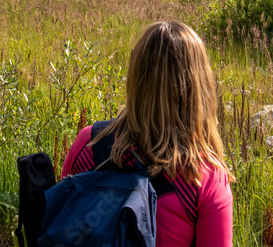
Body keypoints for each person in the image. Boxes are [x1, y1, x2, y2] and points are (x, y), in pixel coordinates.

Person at [60, 21, 234, 246]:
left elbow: (62, 225)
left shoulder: (89, 144)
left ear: (136, 77)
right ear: (198, 85)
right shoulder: (203, 177)